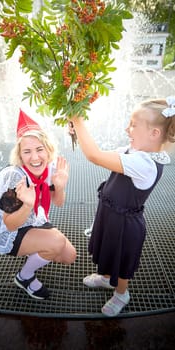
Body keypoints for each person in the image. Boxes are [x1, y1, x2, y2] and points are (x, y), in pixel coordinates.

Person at [70, 96, 175, 316]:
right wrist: (78, 132)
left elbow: (95, 156)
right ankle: (107, 279)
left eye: (134, 125)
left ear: (154, 134)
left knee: (121, 260)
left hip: (126, 225)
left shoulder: (145, 164)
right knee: (108, 250)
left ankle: (121, 294)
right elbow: (99, 152)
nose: (127, 129)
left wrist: (77, 120)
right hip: (110, 214)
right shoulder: (134, 152)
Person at [0, 109, 76, 300]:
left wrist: (59, 187)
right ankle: (24, 277)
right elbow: (10, 224)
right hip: (12, 228)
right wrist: (27, 205)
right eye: (27, 151)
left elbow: (58, 203)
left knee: (68, 256)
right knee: (56, 243)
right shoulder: (14, 176)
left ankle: (35, 249)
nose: (35, 157)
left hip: (34, 220)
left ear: (48, 149)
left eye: (39, 149)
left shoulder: (49, 169)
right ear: (19, 154)